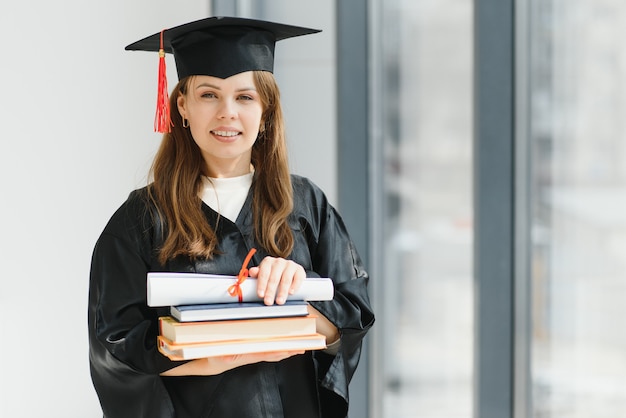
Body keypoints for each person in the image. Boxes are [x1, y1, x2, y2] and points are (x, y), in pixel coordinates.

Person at [88, 16, 374, 418]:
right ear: (183, 106)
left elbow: (351, 321)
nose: (227, 113)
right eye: (209, 95)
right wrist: (213, 357)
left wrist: (298, 290)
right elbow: (114, 350)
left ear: (266, 110)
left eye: (245, 97)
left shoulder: (306, 204)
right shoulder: (140, 219)